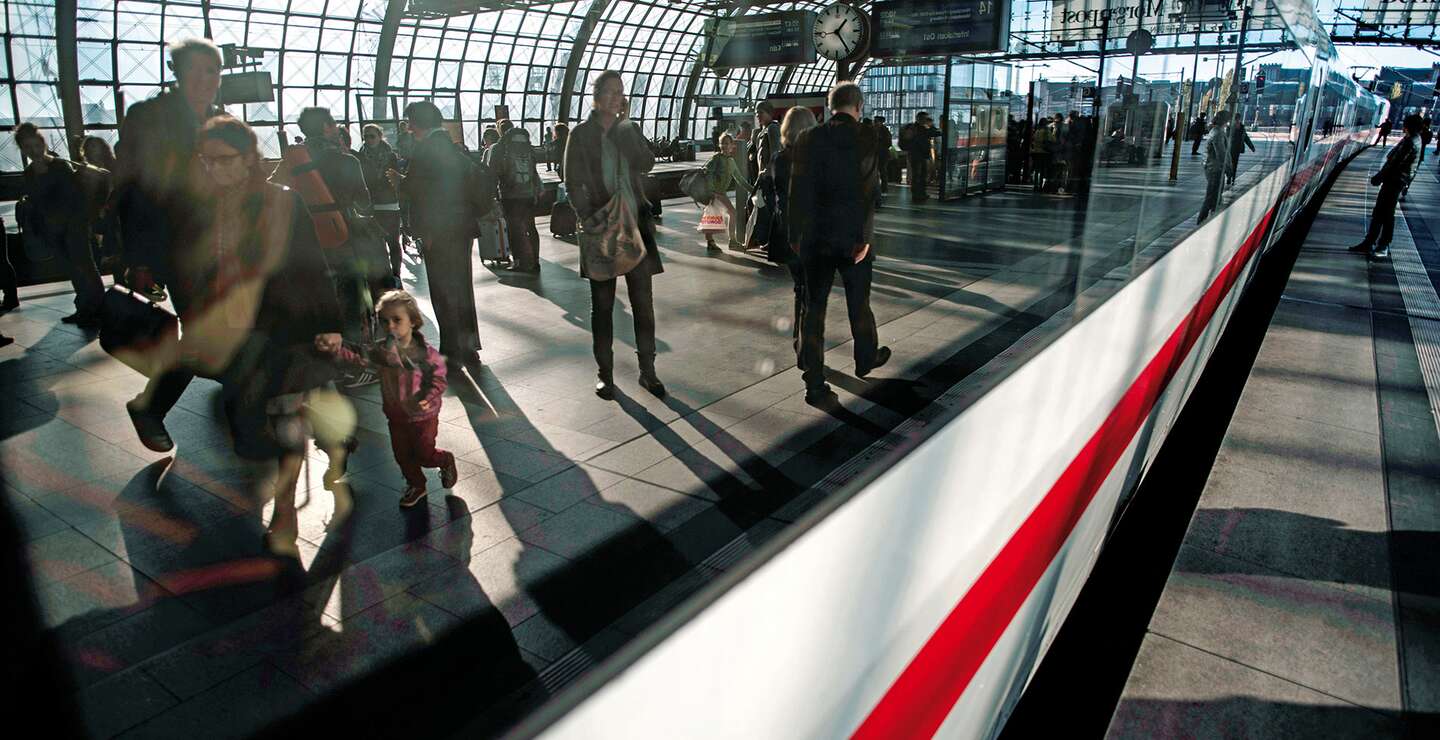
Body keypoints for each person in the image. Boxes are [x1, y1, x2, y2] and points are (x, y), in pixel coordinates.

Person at [170, 115, 348, 549]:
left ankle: (285, 512)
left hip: (282, 330)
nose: (215, 169)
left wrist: (330, 325)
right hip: (235, 336)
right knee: (253, 427)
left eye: (224, 160)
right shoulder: (204, 207)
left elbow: (310, 266)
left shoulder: (282, 201)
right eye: (207, 161)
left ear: (249, 158)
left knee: (285, 420)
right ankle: (334, 447)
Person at [117, 38, 224, 452]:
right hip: (177, 249)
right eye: (196, 70)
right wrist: (138, 260)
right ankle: (150, 406)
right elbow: (131, 189)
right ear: (177, 73)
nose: (205, 80)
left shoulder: (220, 121)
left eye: (212, 71)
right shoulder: (149, 118)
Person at [564, 69, 666, 400]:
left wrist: (627, 129)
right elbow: (571, 180)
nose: (615, 97)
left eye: (619, 92)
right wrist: (588, 217)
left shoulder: (629, 129)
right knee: (602, 306)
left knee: (643, 305)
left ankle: (648, 371)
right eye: (609, 91)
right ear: (595, 95)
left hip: (635, 227)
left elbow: (647, 162)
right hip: (600, 228)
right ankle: (604, 374)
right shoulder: (580, 134)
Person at [789, 81, 890, 406]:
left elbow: (797, 192)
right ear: (858, 106)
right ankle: (865, 358)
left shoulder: (808, 138)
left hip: (815, 240)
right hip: (851, 241)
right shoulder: (867, 136)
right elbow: (868, 191)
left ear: (830, 106)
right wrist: (862, 239)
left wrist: (795, 237)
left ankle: (814, 382)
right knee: (858, 302)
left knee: (813, 310)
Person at [322, 290, 457, 508]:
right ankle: (417, 485)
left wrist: (425, 398)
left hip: (423, 417)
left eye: (397, 320)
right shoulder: (383, 352)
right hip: (396, 417)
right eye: (385, 322)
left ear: (413, 321)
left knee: (424, 454)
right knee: (402, 456)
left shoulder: (425, 354)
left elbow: (438, 380)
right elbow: (360, 357)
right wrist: (338, 350)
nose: (391, 326)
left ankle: (444, 460)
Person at [386, 101, 482, 367]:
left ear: (416, 124)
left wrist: (399, 181)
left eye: (409, 123)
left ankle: (451, 351)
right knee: (462, 286)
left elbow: (421, 192)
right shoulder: (451, 146)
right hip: (461, 227)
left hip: (438, 230)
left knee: (442, 289)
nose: (408, 128)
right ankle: (470, 347)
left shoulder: (425, 150)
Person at [287, 107, 376, 372]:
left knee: (318, 301)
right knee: (350, 299)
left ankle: (320, 364)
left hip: (305, 243)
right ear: (327, 126)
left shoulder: (293, 162)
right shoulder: (347, 161)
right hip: (342, 237)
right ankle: (351, 366)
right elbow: (364, 201)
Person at [15, 123, 105, 328]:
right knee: (74, 270)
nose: (33, 151)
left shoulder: (60, 166)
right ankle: (86, 308)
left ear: (42, 143)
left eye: (35, 145)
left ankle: (97, 308)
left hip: (74, 227)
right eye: (27, 148)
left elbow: (75, 199)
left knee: (85, 267)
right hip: (55, 230)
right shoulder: (33, 172)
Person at [770, 106, 818, 368]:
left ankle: (799, 342)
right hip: (808, 236)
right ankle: (805, 350)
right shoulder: (813, 161)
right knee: (810, 294)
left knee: (801, 289)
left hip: (786, 235)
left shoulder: (779, 159)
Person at [1350, 114, 1422, 260]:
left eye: (1404, 123)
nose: (1402, 126)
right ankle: (1370, 242)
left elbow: (1394, 162)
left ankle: (1383, 245)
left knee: (1386, 214)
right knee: (1380, 213)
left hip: (1395, 181)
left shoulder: (1410, 141)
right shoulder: (1412, 138)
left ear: (1408, 125)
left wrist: (1379, 177)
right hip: (1396, 180)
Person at [487, 119, 543, 273]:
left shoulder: (500, 147)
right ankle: (535, 261)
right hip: (529, 194)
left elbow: (493, 173)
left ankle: (521, 262)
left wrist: (491, 194)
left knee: (514, 228)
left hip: (510, 194)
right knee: (530, 227)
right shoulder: (528, 147)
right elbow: (534, 169)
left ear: (500, 131)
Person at [358, 124, 404, 282]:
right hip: (371, 206)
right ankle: (384, 277)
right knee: (377, 245)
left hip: (390, 204)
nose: (368, 140)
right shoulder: (361, 156)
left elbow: (395, 179)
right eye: (365, 136)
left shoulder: (390, 156)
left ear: (380, 136)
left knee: (393, 242)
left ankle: (396, 274)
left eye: (372, 136)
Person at [704, 133, 750, 251]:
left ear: (732, 146)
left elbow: (739, 179)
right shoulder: (716, 158)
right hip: (714, 193)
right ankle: (719, 241)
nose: (725, 145)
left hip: (720, 193)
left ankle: (726, 241)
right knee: (712, 215)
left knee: (719, 214)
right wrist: (711, 191)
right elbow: (708, 174)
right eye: (723, 143)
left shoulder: (731, 162)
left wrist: (752, 189)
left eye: (727, 143)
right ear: (720, 145)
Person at [746, 101, 782, 247]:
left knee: (764, 206)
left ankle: (765, 238)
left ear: (769, 113)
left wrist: (767, 171)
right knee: (761, 206)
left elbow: (775, 152)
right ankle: (763, 238)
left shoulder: (772, 129)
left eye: (761, 112)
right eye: (756, 113)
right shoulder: (762, 131)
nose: (758, 115)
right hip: (764, 176)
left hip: (768, 177)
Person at [1198, 110, 1234, 222]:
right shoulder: (1218, 133)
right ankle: (1201, 221)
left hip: (1213, 167)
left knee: (1215, 196)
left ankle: (1209, 219)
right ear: (1226, 120)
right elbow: (1221, 153)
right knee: (1212, 196)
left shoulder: (1217, 131)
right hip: (1215, 168)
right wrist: (1228, 168)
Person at [901, 112, 942, 202]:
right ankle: (917, 195)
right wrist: (931, 126)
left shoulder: (919, 128)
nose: (927, 120)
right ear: (921, 119)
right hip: (918, 156)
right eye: (926, 119)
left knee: (921, 175)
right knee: (918, 175)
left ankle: (920, 194)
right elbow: (935, 133)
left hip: (920, 155)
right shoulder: (919, 129)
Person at [1227, 117, 1256, 187]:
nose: (1237, 121)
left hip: (1237, 149)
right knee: (1230, 164)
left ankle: (1232, 178)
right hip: (1230, 149)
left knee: (1235, 164)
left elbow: (1246, 138)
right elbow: (1226, 137)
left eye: (1238, 120)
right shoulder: (1230, 128)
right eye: (1236, 120)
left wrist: (1252, 147)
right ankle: (1229, 176)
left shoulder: (1242, 128)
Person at [1029, 117, 1055, 192]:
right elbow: (1052, 139)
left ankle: (1035, 185)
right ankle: (1040, 186)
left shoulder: (1037, 130)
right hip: (1043, 152)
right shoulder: (1046, 131)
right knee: (1042, 170)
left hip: (1036, 152)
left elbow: (1034, 140)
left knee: (1037, 170)